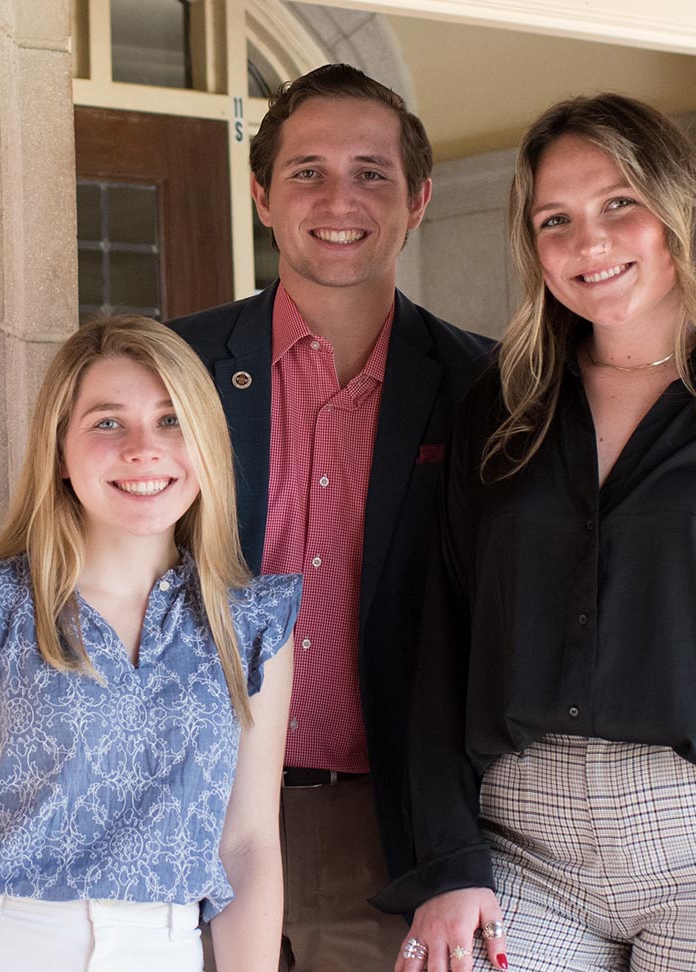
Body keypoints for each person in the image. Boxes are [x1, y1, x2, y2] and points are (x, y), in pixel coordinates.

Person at [373, 93, 696, 972]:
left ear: (679, 206)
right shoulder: (501, 407)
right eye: (556, 220)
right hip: (523, 841)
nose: (589, 243)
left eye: (620, 204)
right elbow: (444, 640)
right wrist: (446, 862)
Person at [169, 64, 492, 970]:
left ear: (419, 197)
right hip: (183, 815)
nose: (337, 197)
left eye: (371, 171)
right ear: (261, 195)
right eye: (307, 170)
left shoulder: (488, 390)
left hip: (382, 834)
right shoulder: (175, 366)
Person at [0, 317, 301, 971]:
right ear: (59, 452)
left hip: (166, 950)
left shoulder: (251, 626)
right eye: (108, 422)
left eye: (170, 421)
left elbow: (247, 846)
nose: (143, 448)